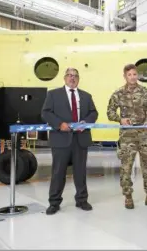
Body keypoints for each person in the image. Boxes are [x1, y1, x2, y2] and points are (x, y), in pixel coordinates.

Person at [41, 67, 98, 215]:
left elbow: (93, 112)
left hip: (80, 139)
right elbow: (46, 112)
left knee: (80, 172)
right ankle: (54, 202)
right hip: (61, 139)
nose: (72, 78)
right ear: (64, 78)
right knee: (58, 172)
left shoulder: (86, 96)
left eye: (75, 76)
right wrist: (59, 124)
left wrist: (85, 122)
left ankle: (82, 200)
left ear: (78, 79)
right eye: (69, 75)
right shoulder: (53, 94)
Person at [106, 63, 147, 209]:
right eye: (129, 75)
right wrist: (120, 119)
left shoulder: (145, 92)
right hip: (127, 136)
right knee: (126, 166)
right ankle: (128, 196)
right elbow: (110, 111)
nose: (132, 77)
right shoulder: (118, 93)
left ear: (137, 75)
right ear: (125, 76)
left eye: (134, 74)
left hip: (144, 134)